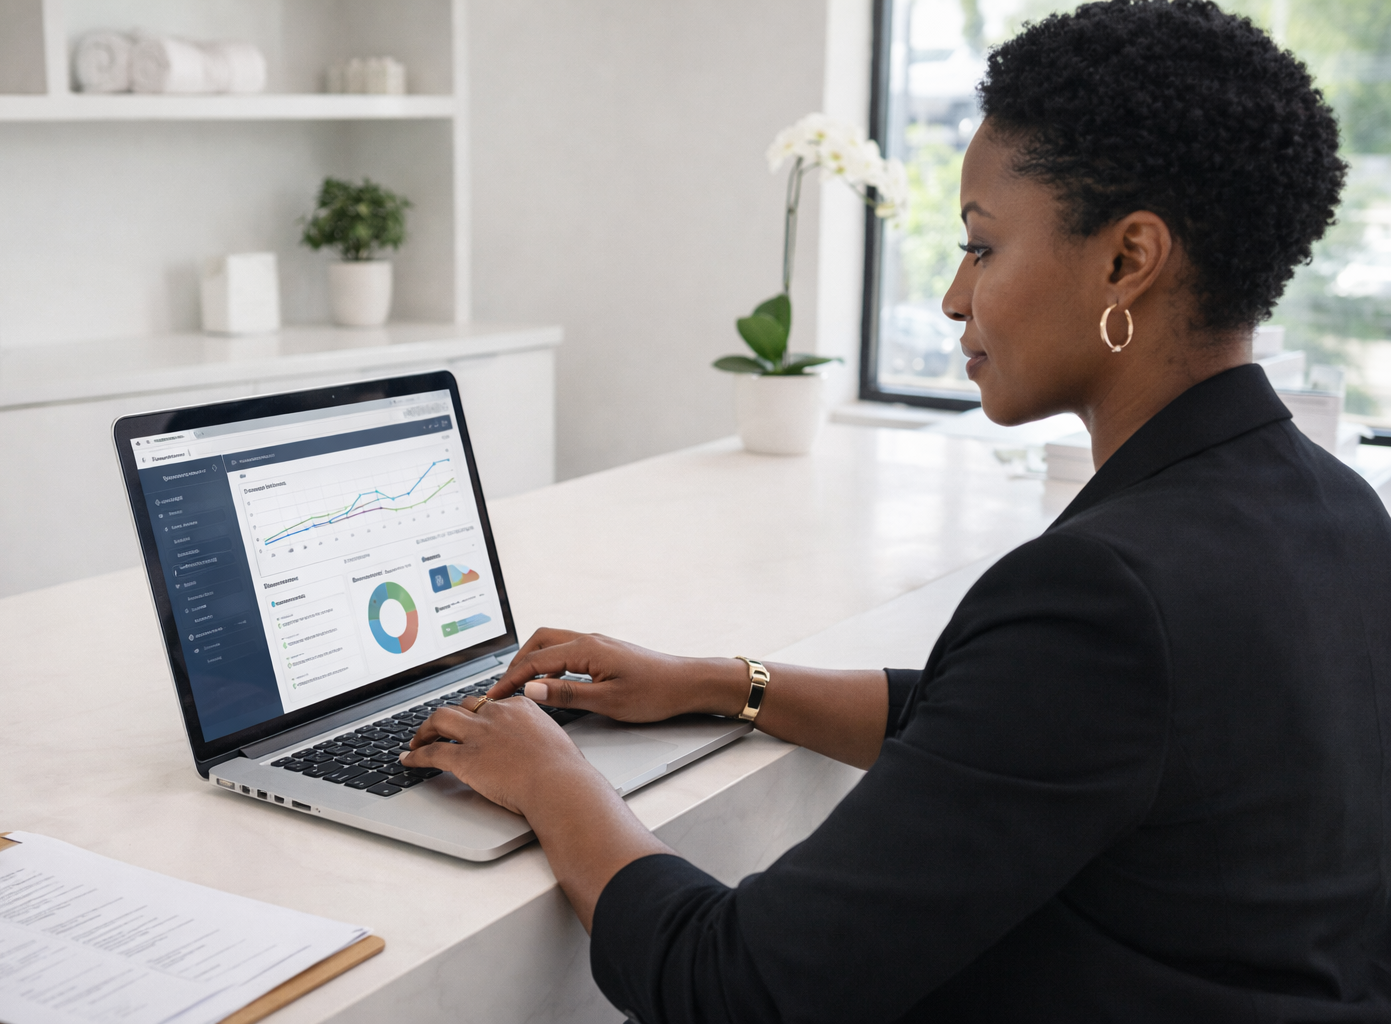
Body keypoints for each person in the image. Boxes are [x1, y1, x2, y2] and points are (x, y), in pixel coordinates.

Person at [401, 0, 1391, 1019]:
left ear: (1127, 259)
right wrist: (719, 680)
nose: (957, 297)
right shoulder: (1338, 510)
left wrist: (552, 779)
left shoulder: (1108, 592)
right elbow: (1019, 729)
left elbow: (735, 985)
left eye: (983, 247)